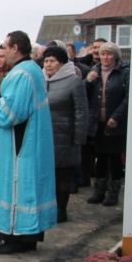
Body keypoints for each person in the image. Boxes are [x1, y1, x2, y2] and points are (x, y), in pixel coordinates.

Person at [0, 31, 56, 255]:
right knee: (28, 188)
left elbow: (12, 114)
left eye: (6, 47)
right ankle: (27, 239)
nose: (3, 52)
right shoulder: (32, 70)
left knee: (17, 187)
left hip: (19, 146)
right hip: (29, 141)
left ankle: (15, 237)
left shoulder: (21, 73)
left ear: (15, 48)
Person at [43, 46, 88, 223]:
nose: (48, 64)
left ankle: (61, 210)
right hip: (45, 136)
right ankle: (48, 208)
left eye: (52, 61)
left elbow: (81, 111)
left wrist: (78, 138)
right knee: (48, 175)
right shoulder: (42, 80)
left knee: (62, 176)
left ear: (62, 63)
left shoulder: (73, 81)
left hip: (65, 137)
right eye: (46, 61)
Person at [85, 42, 130, 207]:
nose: (105, 57)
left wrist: (117, 116)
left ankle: (113, 194)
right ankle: (99, 192)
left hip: (116, 123)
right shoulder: (94, 71)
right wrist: (87, 81)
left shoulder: (124, 72)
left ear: (116, 56)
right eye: (103, 54)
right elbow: (83, 95)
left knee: (115, 159)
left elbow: (128, 97)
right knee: (100, 158)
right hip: (98, 123)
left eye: (109, 54)